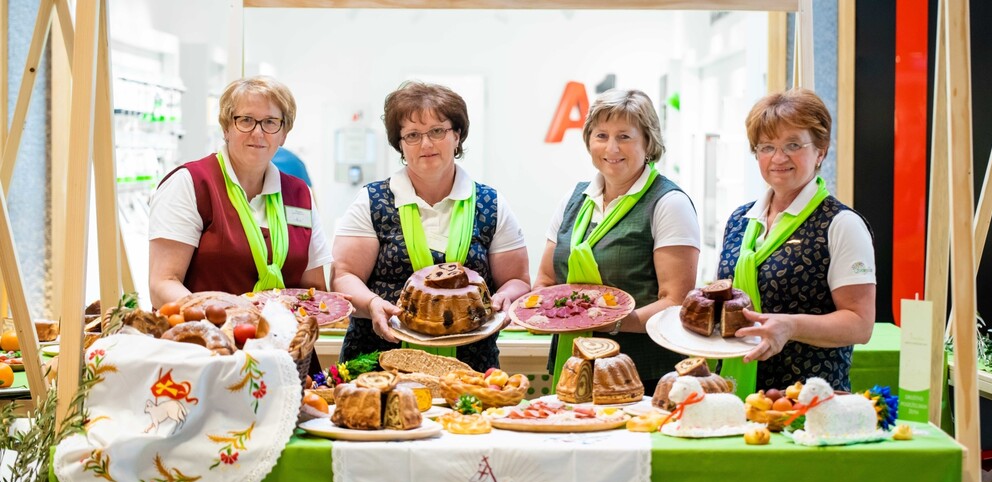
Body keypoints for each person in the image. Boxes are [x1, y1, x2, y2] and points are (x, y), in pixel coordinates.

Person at [332, 81, 530, 371]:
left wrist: (504, 299)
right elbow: (344, 276)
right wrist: (373, 303)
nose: (426, 144)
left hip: (470, 367)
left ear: (457, 135)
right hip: (379, 363)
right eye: (412, 135)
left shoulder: (491, 203)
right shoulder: (372, 200)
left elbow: (518, 281)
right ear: (400, 144)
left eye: (437, 131)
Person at [535, 89, 700, 395]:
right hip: (573, 365)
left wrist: (603, 321)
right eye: (601, 135)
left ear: (648, 142)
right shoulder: (574, 199)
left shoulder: (668, 203)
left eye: (624, 136)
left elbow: (675, 302)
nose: (611, 148)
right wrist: (545, 314)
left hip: (642, 374)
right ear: (588, 141)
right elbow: (545, 282)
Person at [718, 88, 876, 396]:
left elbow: (860, 324)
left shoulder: (841, 224)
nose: (778, 158)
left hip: (808, 401)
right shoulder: (741, 220)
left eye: (793, 145)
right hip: (735, 395)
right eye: (766, 147)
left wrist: (791, 327)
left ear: (820, 150)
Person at [148, 76, 332, 308]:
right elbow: (163, 284)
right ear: (226, 128)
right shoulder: (189, 184)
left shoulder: (299, 194)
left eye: (270, 122)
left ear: (283, 134)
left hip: (287, 341)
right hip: (208, 339)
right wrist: (229, 314)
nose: (258, 132)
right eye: (245, 120)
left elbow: (312, 290)